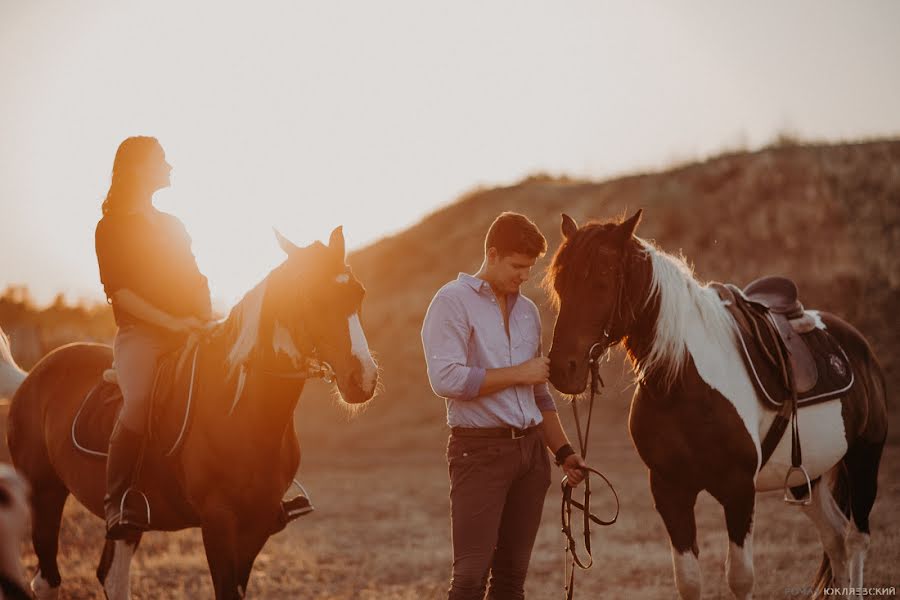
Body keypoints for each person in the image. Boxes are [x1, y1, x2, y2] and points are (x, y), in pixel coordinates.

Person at [421, 211, 587, 600]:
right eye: (517, 265)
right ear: (492, 255)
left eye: (529, 267)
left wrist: (562, 451)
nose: (524, 276)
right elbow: (445, 379)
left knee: (511, 581)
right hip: (478, 452)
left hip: (531, 456)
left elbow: (539, 393)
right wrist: (518, 373)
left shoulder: (528, 312)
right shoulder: (451, 302)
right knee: (469, 579)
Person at [94, 136, 213, 539]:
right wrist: (173, 325)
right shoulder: (110, 228)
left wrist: (202, 318)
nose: (169, 165)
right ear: (138, 168)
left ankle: (259, 490)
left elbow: (196, 277)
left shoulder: (174, 224)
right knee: (140, 401)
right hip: (140, 336)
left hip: (191, 329)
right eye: (161, 159)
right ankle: (117, 501)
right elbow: (122, 293)